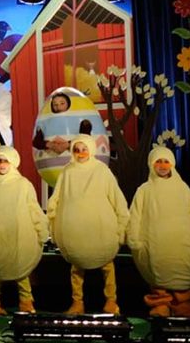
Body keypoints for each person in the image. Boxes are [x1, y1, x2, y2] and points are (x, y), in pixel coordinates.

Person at [127, 147, 190, 317]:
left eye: (166, 161)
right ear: (151, 164)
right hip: (156, 243)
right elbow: (135, 215)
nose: (162, 165)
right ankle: (161, 305)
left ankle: (183, 305)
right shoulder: (144, 190)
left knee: (181, 272)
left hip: (181, 241)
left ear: (172, 164)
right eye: (158, 161)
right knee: (159, 274)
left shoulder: (182, 188)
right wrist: (134, 239)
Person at [47, 135, 129, 315]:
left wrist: (122, 224)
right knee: (77, 266)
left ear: (91, 149)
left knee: (107, 265)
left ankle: (111, 301)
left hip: (100, 230)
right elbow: (57, 196)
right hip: (76, 232)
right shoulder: (67, 171)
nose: (81, 153)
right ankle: (77, 302)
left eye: (84, 149)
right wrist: (53, 216)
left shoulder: (101, 171)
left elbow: (116, 197)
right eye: (77, 150)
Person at [0, 146, 48, 316]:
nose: (2, 164)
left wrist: (41, 230)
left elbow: (34, 209)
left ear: (13, 162)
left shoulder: (23, 184)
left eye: (6, 160)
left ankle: (26, 301)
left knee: (21, 270)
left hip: (17, 236)